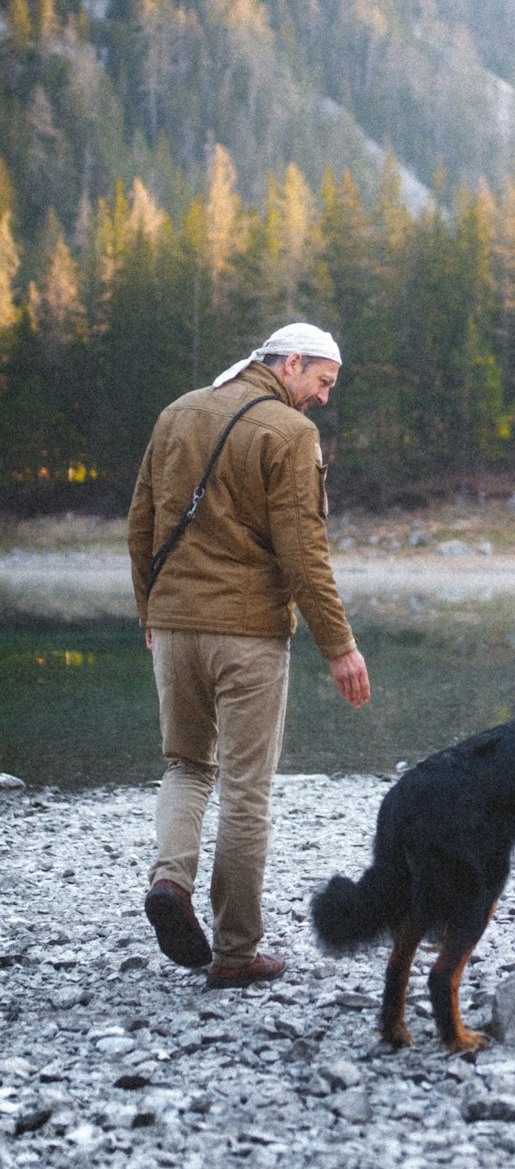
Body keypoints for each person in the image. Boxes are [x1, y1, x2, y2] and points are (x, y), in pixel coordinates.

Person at [127, 322, 370, 989]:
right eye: (321, 382)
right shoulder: (288, 435)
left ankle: (170, 882)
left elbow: (141, 521)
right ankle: (235, 953)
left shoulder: (177, 412)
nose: (322, 398)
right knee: (245, 790)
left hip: (174, 623)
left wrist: (151, 609)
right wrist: (339, 646)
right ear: (289, 363)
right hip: (249, 634)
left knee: (184, 765)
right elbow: (302, 552)